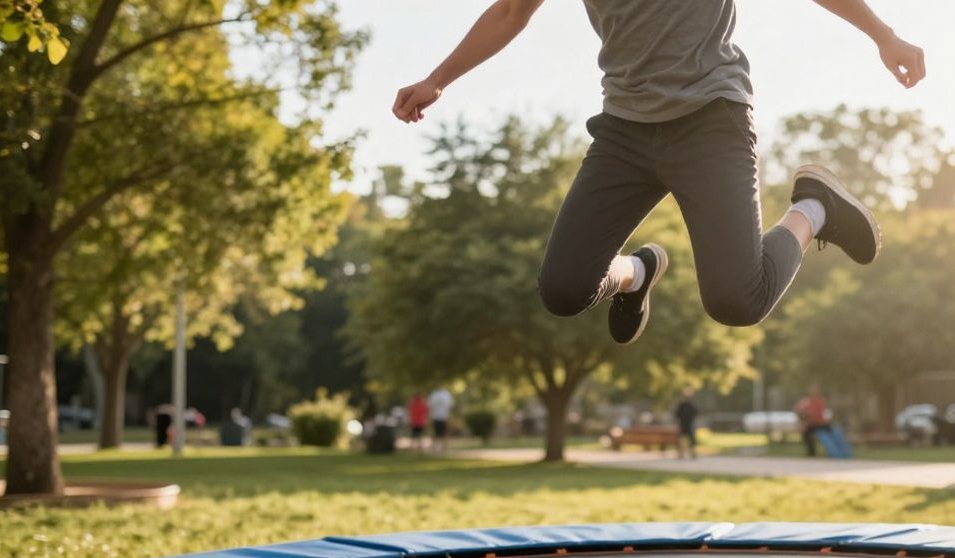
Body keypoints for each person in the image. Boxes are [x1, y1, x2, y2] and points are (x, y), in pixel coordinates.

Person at [392, 0, 925, 345]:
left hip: (711, 121)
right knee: (563, 290)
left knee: (737, 301)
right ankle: (637, 273)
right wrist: (440, 79)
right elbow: (511, 11)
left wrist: (884, 35)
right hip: (624, 131)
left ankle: (815, 207)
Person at [794, 385, 830, 458]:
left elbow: (818, 415)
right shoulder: (806, 401)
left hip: (818, 423)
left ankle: (812, 453)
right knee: (806, 433)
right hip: (811, 423)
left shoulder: (819, 402)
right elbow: (797, 409)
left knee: (808, 431)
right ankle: (811, 452)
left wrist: (807, 421)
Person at [427, 387, 455, 452]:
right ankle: (439, 448)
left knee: (441, 433)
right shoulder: (444, 394)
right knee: (439, 433)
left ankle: (441, 448)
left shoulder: (436, 394)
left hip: (441, 417)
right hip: (439, 417)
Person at [674, 388, 700, 460]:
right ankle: (681, 454)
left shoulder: (690, 404)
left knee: (690, 440)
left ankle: (692, 453)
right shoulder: (683, 405)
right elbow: (677, 414)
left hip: (688, 424)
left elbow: (696, 413)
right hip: (684, 424)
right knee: (681, 439)